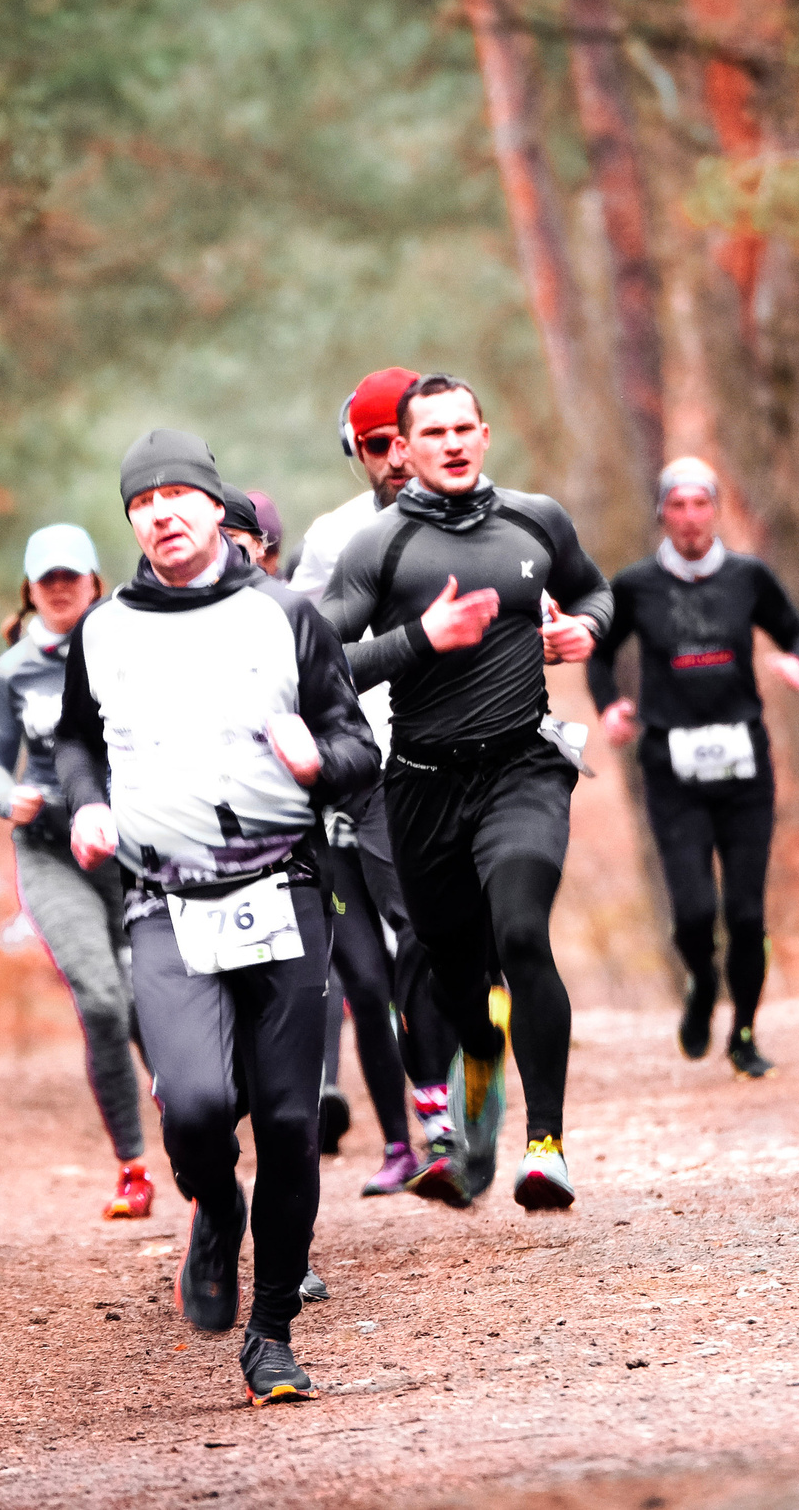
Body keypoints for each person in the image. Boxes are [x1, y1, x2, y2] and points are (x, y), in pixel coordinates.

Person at [55, 429, 378, 1408]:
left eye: (177, 495)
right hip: (162, 900)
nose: (160, 512)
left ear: (216, 507)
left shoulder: (283, 615)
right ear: (132, 523)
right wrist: (85, 802)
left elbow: (356, 745)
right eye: (140, 502)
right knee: (194, 1104)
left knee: (286, 1119)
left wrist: (317, 760)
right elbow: (74, 739)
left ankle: (270, 1332)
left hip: (281, 889)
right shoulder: (102, 629)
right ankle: (212, 1204)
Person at [321, 374, 612, 1212]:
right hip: (418, 783)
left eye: (464, 428)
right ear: (401, 451)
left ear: (485, 434)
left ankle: (546, 1146)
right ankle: (478, 1059)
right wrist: (419, 639)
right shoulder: (378, 548)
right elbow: (320, 664)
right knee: (453, 977)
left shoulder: (537, 519)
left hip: (523, 765)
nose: (451, 443)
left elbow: (595, 589)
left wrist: (582, 628)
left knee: (522, 931)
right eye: (431, 432)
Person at [289, 368, 461, 1198]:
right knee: (364, 968)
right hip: (359, 774)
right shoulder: (333, 539)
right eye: (377, 446)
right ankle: (411, 1134)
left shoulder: (481, 518)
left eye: (406, 439)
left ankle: (452, 1111)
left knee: (432, 942)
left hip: (448, 765)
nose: (396, 458)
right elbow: (302, 654)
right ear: (356, 452)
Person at [588, 458, 799, 1078]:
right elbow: (599, 652)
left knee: (746, 914)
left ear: (715, 509)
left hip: (744, 765)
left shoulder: (748, 578)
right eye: (678, 506)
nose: (690, 518)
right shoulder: (635, 586)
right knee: (693, 912)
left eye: (700, 504)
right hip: (672, 766)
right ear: (662, 512)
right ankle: (698, 981)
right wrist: (610, 707)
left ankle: (743, 1031)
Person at [0, 523, 155, 1220]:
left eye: (70, 577)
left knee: (149, 1002)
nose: (58, 589)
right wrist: (2, 794)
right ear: (29, 589)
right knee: (104, 1001)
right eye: (45, 579)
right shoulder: (15, 668)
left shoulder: (128, 648)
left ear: (94, 583)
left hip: (131, 849)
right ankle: (133, 1167)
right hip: (51, 850)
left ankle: (198, 1137)